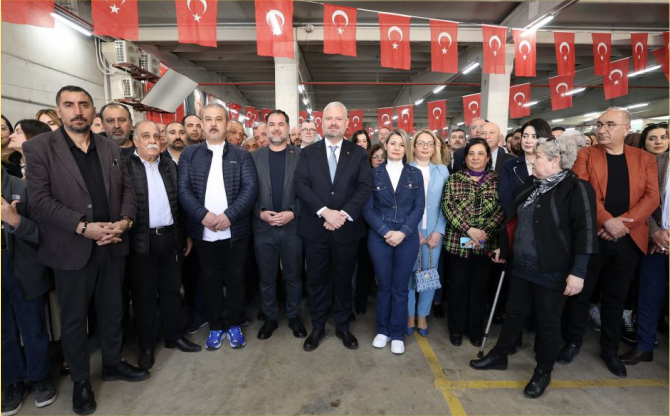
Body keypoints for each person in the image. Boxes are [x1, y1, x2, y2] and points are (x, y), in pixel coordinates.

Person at [23, 85, 148, 416]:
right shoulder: (39, 148)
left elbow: (129, 192)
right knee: (75, 319)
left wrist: (124, 221)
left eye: (83, 104)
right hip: (71, 247)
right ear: (59, 110)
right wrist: (82, 227)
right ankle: (80, 381)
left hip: (112, 243)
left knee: (113, 311)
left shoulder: (109, 147)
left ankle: (112, 363)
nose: (77, 110)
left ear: (93, 111)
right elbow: (39, 201)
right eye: (69, 105)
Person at [470, 136, 598, 399]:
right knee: (514, 313)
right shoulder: (534, 184)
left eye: (538, 157)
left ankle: (543, 371)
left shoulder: (578, 189)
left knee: (548, 323)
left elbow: (585, 232)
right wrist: (505, 250)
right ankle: (500, 355)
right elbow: (515, 221)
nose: (533, 161)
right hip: (522, 265)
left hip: (553, 270)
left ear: (555, 161)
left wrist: (579, 272)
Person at [562, 107, 659, 378]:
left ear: (626, 129)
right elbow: (580, 189)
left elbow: (652, 197)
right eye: (599, 123)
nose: (602, 129)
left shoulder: (644, 159)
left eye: (610, 124)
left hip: (628, 239)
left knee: (615, 299)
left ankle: (609, 349)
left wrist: (622, 224)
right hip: (592, 237)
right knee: (581, 294)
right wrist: (606, 220)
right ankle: (573, 342)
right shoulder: (586, 154)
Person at [178, 103, 258, 350]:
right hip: (204, 230)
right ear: (202, 124)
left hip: (234, 229)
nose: (213, 124)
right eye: (208, 119)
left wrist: (230, 216)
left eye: (219, 119)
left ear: (226, 124)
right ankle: (215, 326)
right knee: (209, 280)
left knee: (235, 279)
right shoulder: (189, 155)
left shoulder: (241, 155)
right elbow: (183, 189)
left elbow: (250, 188)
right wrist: (202, 215)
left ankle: (233, 324)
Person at [295, 101, 372, 352]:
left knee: (343, 280)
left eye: (339, 119)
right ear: (322, 122)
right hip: (315, 229)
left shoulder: (359, 154)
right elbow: (302, 186)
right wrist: (325, 212)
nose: (334, 123)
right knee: (316, 281)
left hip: (346, 230)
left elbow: (364, 188)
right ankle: (317, 327)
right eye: (329, 119)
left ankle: (342, 326)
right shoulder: (307, 153)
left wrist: (344, 214)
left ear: (347, 123)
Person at [124, 121, 200, 371]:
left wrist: (186, 234)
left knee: (171, 291)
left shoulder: (169, 165)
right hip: (141, 240)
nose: (152, 140)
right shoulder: (125, 166)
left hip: (171, 236)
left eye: (156, 135)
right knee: (144, 295)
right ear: (135, 140)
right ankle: (146, 346)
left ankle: (174, 336)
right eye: (146, 136)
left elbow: (180, 203)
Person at [1, 165, 57, 415]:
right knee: (3, 332)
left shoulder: (22, 188)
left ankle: (40, 377)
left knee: (33, 327)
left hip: (21, 268)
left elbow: (44, 234)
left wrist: (14, 221)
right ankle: (13, 382)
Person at [363, 129, 424, 355]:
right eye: (393, 143)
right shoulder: (373, 174)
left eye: (401, 144)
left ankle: (397, 333)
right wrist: (385, 231)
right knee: (384, 286)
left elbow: (419, 207)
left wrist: (404, 232)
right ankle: (383, 330)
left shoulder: (414, 174)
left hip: (406, 238)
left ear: (405, 149)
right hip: (380, 237)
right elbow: (367, 209)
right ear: (386, 146)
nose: (397, 147)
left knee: (401, 287)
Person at [441, 138, 505, 347]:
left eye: (480, 154)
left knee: (480, 289)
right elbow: (448, 207)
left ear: (488, 158)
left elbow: (501, 210)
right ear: (465, 157)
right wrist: (469, 229)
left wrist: (484, 232)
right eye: (471, 154)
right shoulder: (454, 179)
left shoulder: (497, 180)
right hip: (458, 242)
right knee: (458, 288)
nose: (475, 157)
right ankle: (456, 330)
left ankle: (475, 330)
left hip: (485, 243)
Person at [251, 110, 307, 340]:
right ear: (266, 128)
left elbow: (309, 191)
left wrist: (293, 212)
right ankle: (270, 318)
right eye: (272, 124)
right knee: (266, 276)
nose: (276, 128)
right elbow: (247, 191)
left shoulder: (301, 156)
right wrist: (260, 212)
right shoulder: (254, 157)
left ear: (288, 128)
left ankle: (294, 316)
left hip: (292, 228)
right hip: (263, 228)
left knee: (293, 275)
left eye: (281, 124)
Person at [620, 151, 669, 365]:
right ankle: (644, 346)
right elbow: (644, 200)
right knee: (648, 296)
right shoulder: (657, 161)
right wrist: (656, 233)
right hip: (656, 242)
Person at [405, 129, 449, 337]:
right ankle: (409, 315)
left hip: (434, 232)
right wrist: (412, 231)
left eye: (429, 143)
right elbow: (404, 206)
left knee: (429, 274)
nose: (424, 147)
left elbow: (446, 205)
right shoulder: (406, 169)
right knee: (409, 275)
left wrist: (439, 231)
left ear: (434, 148)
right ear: (413, 147)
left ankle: (422, 314)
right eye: (420, 143)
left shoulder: (442, 171)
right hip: (410, 231)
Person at [499, 118, 552, 219]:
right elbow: (505, 198)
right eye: (525, 136)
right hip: (518, 222)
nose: (528, 140)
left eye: (534, 136)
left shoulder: (553, 165)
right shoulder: (510, 166)